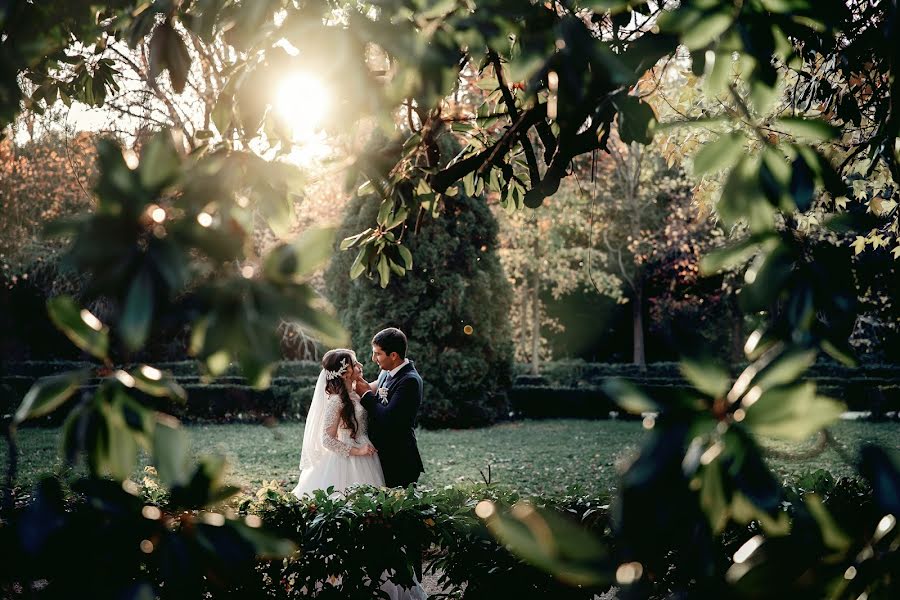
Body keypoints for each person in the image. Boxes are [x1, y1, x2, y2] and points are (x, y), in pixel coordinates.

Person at [291, 348, 427, 600]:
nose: (361, 364)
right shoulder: (336, 400)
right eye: (355, 363)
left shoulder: (356, 390)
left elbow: (381, 388)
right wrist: (356, 450)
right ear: (345, 370)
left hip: (369, 460)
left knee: (376, 521)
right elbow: (326, 439)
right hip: (348, 462)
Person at [353, 327, 425, 488]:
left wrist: (365, 395)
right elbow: (373, 390)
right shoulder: (387, 372)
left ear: (393, 355)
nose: (373, 358)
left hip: (399, 459)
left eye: (378, 353)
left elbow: (388, 418)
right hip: (382, 456)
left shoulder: (409, 381)